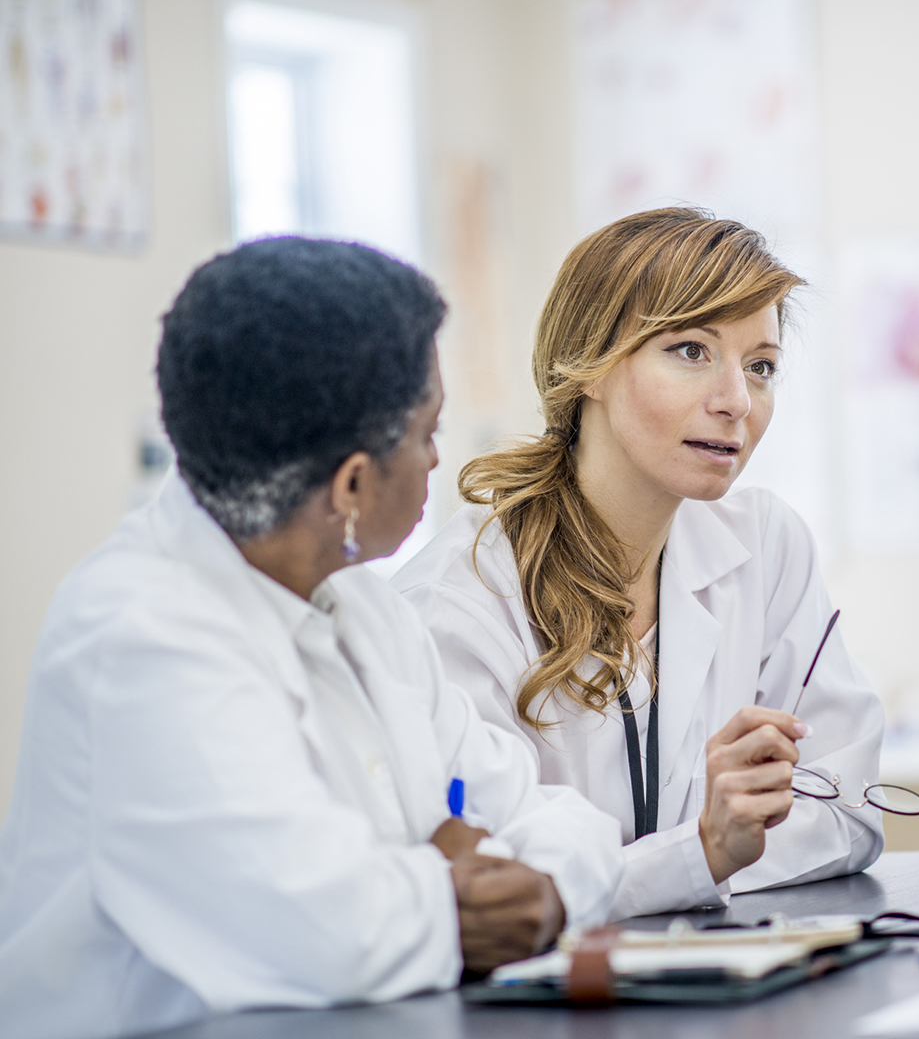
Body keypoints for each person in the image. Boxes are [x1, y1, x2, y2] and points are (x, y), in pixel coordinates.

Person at [0, 238, 624, 1039]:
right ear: (353, 485)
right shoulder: (135, 634)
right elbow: (331, 934)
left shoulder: (364, 609)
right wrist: (446, 878)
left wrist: (545, 887)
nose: (441, 457)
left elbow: (558, 816)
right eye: (428, 433)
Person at [394, 208, 884, 920]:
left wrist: (643, 873)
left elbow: (849, 813)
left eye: (761, 366)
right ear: (588, 363)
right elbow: (496, 893)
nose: (736, 401)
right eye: (690, 350)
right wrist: (702, 851)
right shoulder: (463, 596)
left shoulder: (767, 545)